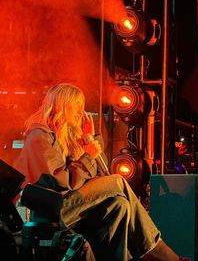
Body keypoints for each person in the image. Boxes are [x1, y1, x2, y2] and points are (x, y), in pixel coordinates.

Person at [14, 83, 179, 261]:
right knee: (117, 181)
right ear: (60, 105)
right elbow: (59, 183)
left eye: (82, 106)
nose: (80, 111)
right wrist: (87, 157)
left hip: (69, 205)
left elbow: (101, 176)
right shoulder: (40, 136)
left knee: (119, 204)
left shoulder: (68, 140)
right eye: (75, 105)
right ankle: (161, 254)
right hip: (51, 210)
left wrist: (89, 140)